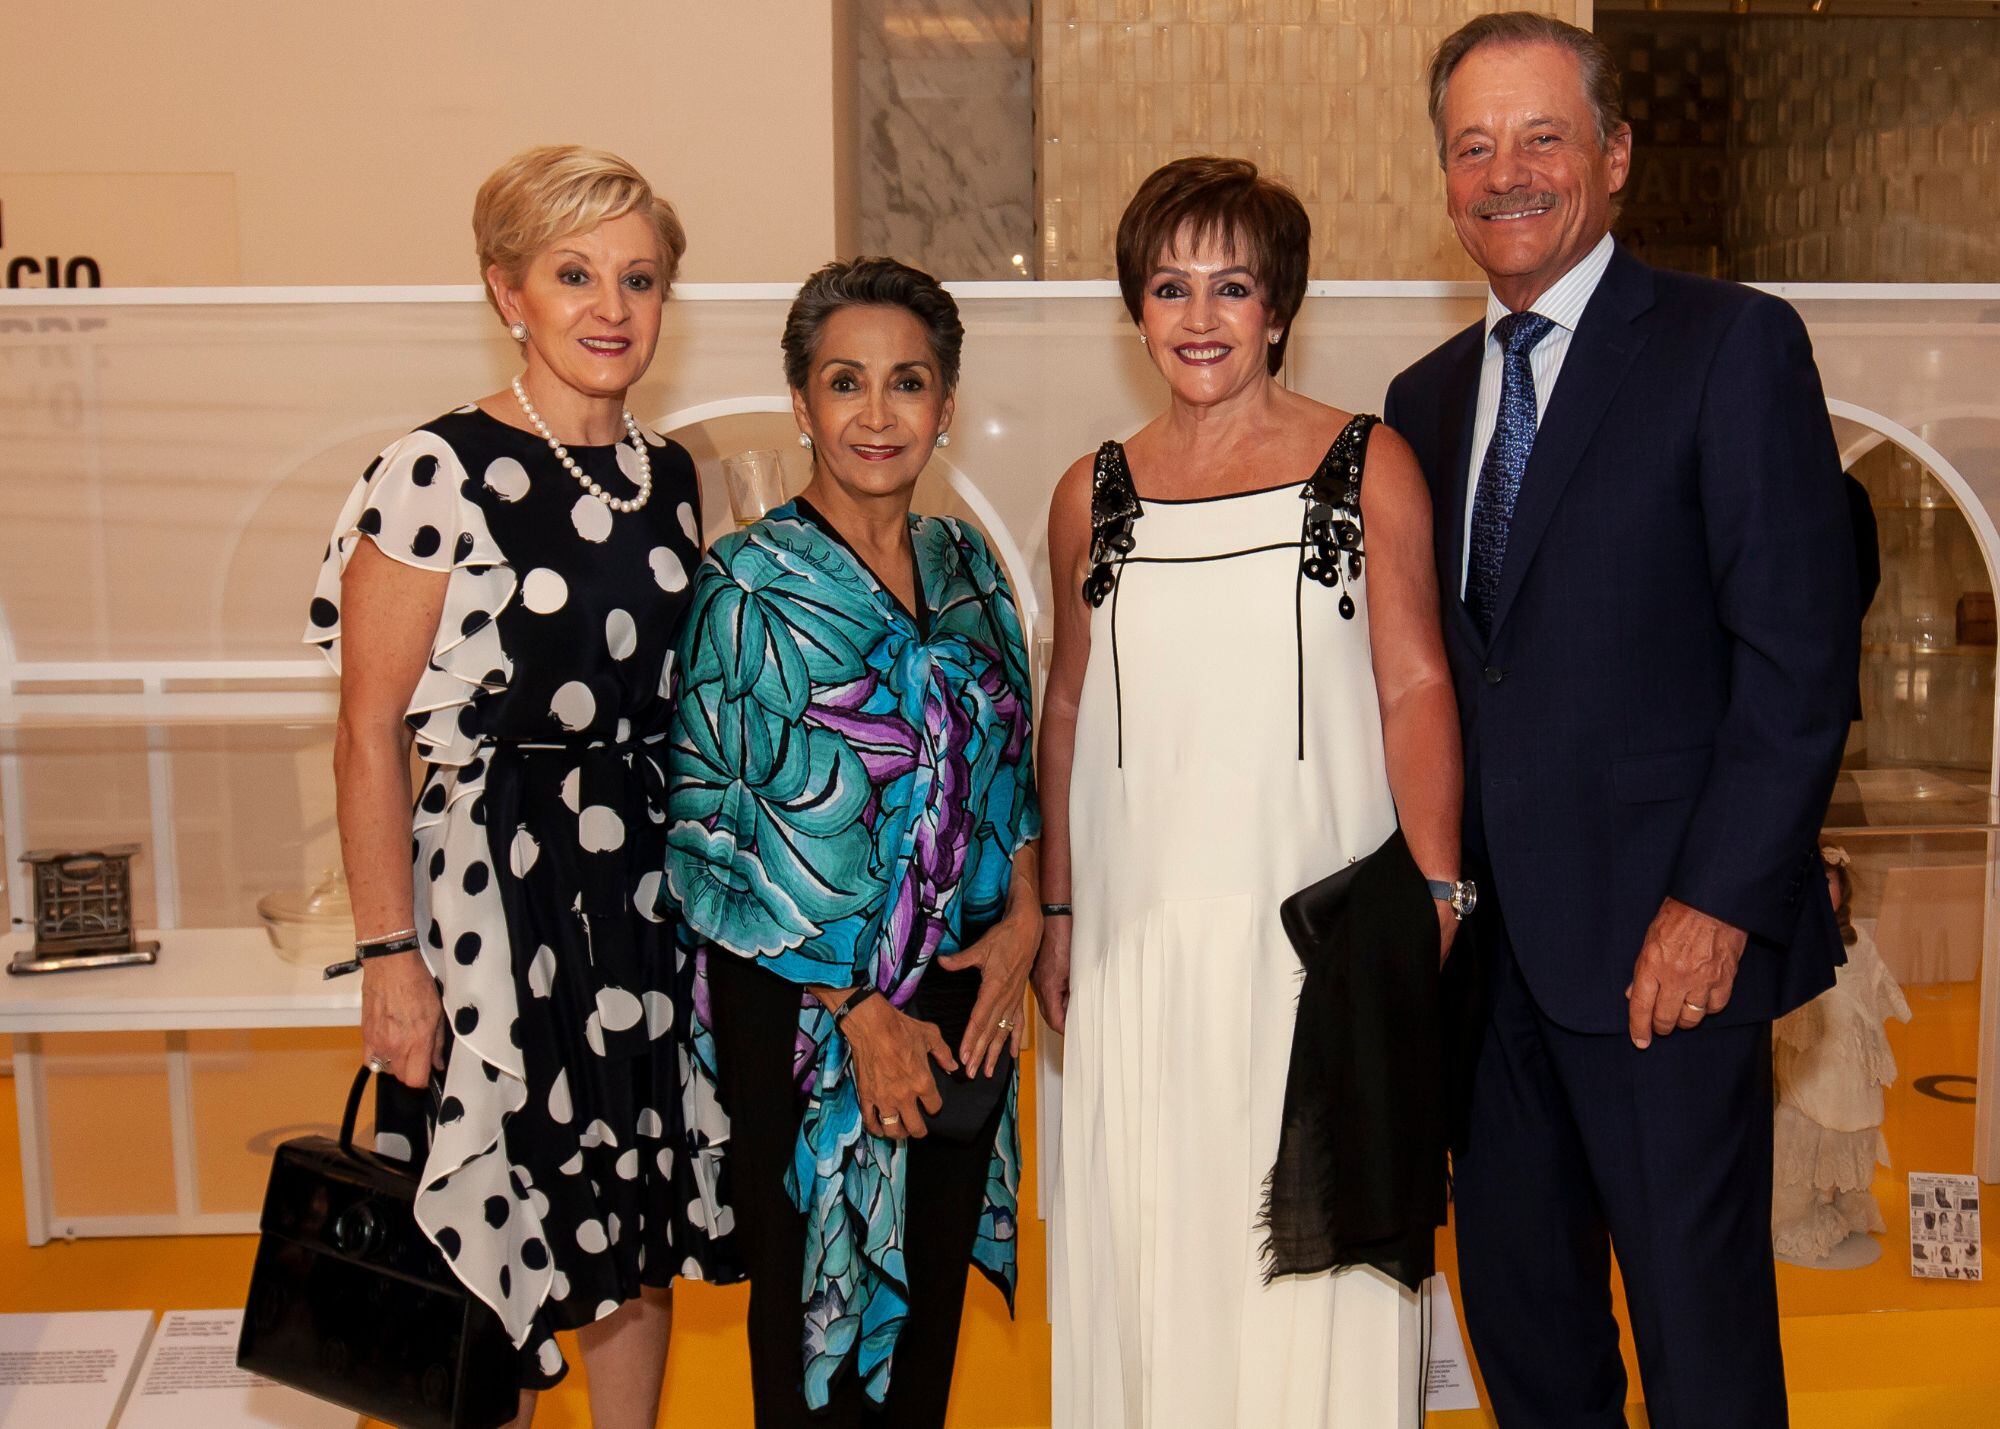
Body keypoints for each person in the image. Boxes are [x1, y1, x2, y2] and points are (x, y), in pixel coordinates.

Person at [1383, 15, 1860, 1427]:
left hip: (1668, 961)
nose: (1506, 173)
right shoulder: (1423, 399)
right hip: (1488, 979)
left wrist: (1717, 903)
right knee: (1530, 1348)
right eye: (1473, 146)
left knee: (1701, 1358)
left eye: (1543, 137)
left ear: (1615, 155)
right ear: (1444, 177)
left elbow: (1796, 660)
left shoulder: (1731, 344)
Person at [1035, 156, 1466, 1427]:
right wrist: (1057, 910)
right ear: (1137, 308)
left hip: (1314, 944)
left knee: (1309, 1271)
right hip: (1135, 948)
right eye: (1170, 286)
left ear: (1277, 307)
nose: (1200, 316)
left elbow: (1414, 684)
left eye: (1231, 286)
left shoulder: (1365, 462)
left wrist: (1436, 890)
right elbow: (1067, 709)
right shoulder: (1087, 492)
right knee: (1154, 1249)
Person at [307, 144, 731, 1427]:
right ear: (508, 291)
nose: (611, 306)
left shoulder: (670, 475)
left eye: (638, 278)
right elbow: (365, 733)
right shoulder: (434, 469)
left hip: (638, 900)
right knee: (496, 1225)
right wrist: (390, 958)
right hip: (494, 902)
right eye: (573, 273)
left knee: (628, 1221)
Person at [665, 257, 1042, 1426]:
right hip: (805, 1012)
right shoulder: (746, 582)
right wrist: (857, 1010)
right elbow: (710, 838)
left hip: (955, 993)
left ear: (945, 402)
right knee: (814, 1342)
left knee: (923, 1324)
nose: (876, 413)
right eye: (844, 382)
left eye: (906, 382)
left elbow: (1013, 770)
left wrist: (1025, 913)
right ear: (800, 402)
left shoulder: (966, 564)